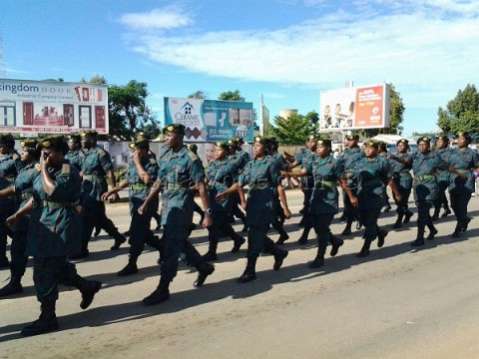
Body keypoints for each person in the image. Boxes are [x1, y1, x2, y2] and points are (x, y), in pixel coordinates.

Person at [7, 136, 101, 336]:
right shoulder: (44, 171)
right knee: (56, 268)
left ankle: (48, 318)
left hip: (59, 224)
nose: (45, 156)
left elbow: (51, 191)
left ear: (61, 152)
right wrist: (18, 214)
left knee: (43, 271)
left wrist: (42, 167)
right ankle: (87, 286)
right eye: (43, 152)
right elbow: (33, 195)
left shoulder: (69, 171)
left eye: (49, 152)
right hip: (43, 224)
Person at [137, 124, 215, 305]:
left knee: (170, 248)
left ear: (179, 137)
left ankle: (163, 288)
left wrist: (207, 213)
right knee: (180, 243)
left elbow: (201, 186)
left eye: (168, 135)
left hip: (181, 207)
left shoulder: (191, 158)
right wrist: (146, 202)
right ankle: (203, 267)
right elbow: (159, 181)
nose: (165, 139)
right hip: (168, 207)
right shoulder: (165, 155)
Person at [217, 136, 291, 283]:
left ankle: (250, 270)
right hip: (253, 203)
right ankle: (279, 252)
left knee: (254, 237)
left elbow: (278, 185)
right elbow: (239, 183)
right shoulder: (250, 164)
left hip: (265, 203)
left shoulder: (271, 163)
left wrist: (285, 208)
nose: (254, 148)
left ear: (265, 148)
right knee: (256, 235)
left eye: (257, 146)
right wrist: (226, 193)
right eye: (254, 146)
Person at [103, 133, 164, 275]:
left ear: (144, 149)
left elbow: (147, 180)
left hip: (146, 200)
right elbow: (129, 179)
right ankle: (164, 248)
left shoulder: (151, 162)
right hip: (135, 200)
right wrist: (114, 190)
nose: (134, 152)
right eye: (134, 149)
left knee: (137, 233)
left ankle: (132, 263)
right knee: (144, 233)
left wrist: (137, 162)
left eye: (136, 149)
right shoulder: (134, 161)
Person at [283, 139, 344, 267]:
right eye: (317, 147)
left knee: (321, 229)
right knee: (318, 227)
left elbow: (342, 180)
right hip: (316, 197)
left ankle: (320, 258)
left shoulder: (335, 162)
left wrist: (351, 196)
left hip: (329, 198)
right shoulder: (315, 160)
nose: (318, 149)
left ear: (328, 148)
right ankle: (335, 241)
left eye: (321, 147)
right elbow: (304, 172)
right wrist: (288, 173)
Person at [344, 140, 400, 257]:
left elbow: (389, 179)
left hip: (376, 195)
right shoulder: (360, 162)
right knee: (362, 219)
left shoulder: (382, 162)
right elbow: (352, 176)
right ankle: (380, 232)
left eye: (370, 148)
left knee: (370, 221)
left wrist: (397, 193)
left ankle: (366, 248)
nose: (367, 150)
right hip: (362, 194)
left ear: (376, 149)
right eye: (365, 148)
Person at [75, 130, 126, 257]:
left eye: (84, 139)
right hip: (85, 188)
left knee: (87, 218)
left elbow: (109, 172)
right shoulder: (83, 153)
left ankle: (82, 248)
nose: (82, 142)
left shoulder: (101, 153)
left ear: (92, 139)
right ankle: (118, 237)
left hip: (96, 189)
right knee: (99, 218)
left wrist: (112, 190)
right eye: (81, 139)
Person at [0, 139, 40, 297]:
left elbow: (20, 191)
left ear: (31, 153)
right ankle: (15, 282)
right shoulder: (27, 168)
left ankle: (81, 283)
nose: (20, 153)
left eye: (24, 151)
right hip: (24, 211)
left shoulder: (37, 169)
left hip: (33, 213)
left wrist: (17, 214)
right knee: (17, 249)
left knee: (46, 253)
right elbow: (15, 187)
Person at [202, 141, 245, 261]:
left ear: (225, 151)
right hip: (212, 197)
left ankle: (212, 252)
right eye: (214, 150)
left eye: (219, 150)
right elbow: (206, 179)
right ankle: (237, 239)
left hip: (224, 198)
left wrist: (228, 193)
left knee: (213, 225)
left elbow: (238, 183)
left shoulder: (232, 165)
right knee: (221, 224)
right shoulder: (211, 164)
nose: (216, 153)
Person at [410, 136, 443, 246]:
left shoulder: (435, 156)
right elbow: (406, 163)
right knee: (423, 211)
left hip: (430, 187)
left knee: (422, 213)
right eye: (420, 144)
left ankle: (420, 238)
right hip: (418, 187)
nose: (422, 146)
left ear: (429, 146)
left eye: (424, 144)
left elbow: (445, 167)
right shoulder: (415, 156)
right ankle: (432, 229)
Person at [446, 132, 479, 237]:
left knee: (462, 206)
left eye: (461, 139)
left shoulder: (472, 153)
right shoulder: (452, 151)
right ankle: (464, 219)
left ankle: (458, 229)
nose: (459, 141)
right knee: (453, 205)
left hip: (466, 181)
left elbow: (477, 166)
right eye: (458, 139)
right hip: (454, 181)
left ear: (467, 141)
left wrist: (475, 175)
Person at [0, 134, 20, 268]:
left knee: (13, 230)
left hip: (11, 200)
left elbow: (22, 178)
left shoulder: (16, 158)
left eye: (1, 146)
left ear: (7, 146)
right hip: (2, 199)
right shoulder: (3, 158)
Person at [289, 135, 316, 231]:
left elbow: (305, 171)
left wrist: (288, 173)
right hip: (305, 182)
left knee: (310, 203)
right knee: (307, 202)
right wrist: (286, 167)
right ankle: (309, 220)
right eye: (310, 141)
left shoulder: (318, 153)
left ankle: (308, 221)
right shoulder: (304, 153)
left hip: (315, 182)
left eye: (314, 141)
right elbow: (295, 163)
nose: (312, 143)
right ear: (306, 143)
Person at [337, 134, 363, 235]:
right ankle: (350, 224)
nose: (349, 141)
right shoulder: (344, 153)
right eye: (348, 139)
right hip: (346, 183)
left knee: (358, 204)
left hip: (359, 183)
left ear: (356, 140)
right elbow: (338, 166)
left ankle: (356, 221)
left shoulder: (362, 153)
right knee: (348, 205)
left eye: (351, 140)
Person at [266, 137, 290, 244]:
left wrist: (286, 177)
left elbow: (286, 168)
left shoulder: (277, 157)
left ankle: (282, 234)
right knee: (273, 215)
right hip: (265, 191)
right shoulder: (267, 158)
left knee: (271, 217)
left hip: (273, 189)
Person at [389, 139, 413, 228]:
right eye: (399, 145)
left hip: (405, 179)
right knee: (396, 199)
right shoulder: (393, 156)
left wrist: (396, 158)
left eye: (402, 145)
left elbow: (407, 163)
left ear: (406, 147)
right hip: (395, 179)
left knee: (402, 200)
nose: (400, 147)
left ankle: (399, 220)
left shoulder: (409, 156)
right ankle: (407, 213)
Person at [228, 137, 250, 232]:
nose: (230, 148)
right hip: (229, 183)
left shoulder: (243, 155)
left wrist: (243, 178)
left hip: (237, 181)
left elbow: (248, 166)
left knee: (241, 203)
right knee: (233, 206)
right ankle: (247, 221)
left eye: (231, 146)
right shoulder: (229, 155)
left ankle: (251, 221)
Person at [432, 135, 452, 220]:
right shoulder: (434, 151)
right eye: (437, 141)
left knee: (438, 193)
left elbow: (446, 164)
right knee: (440, 193)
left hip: (445, 176)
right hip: (436, 176)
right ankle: (446, 209)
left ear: (446, 143)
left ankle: (436, 213)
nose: (438, 143)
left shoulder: (449, 152)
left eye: (441, 141)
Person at [378, 142, 392, 212]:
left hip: (384, 176)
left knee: (381, 191)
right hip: (381, 176)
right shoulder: (379, 155)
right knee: (382, 191)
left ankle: (385, 204)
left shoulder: (385, 155)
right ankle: (386, 204)